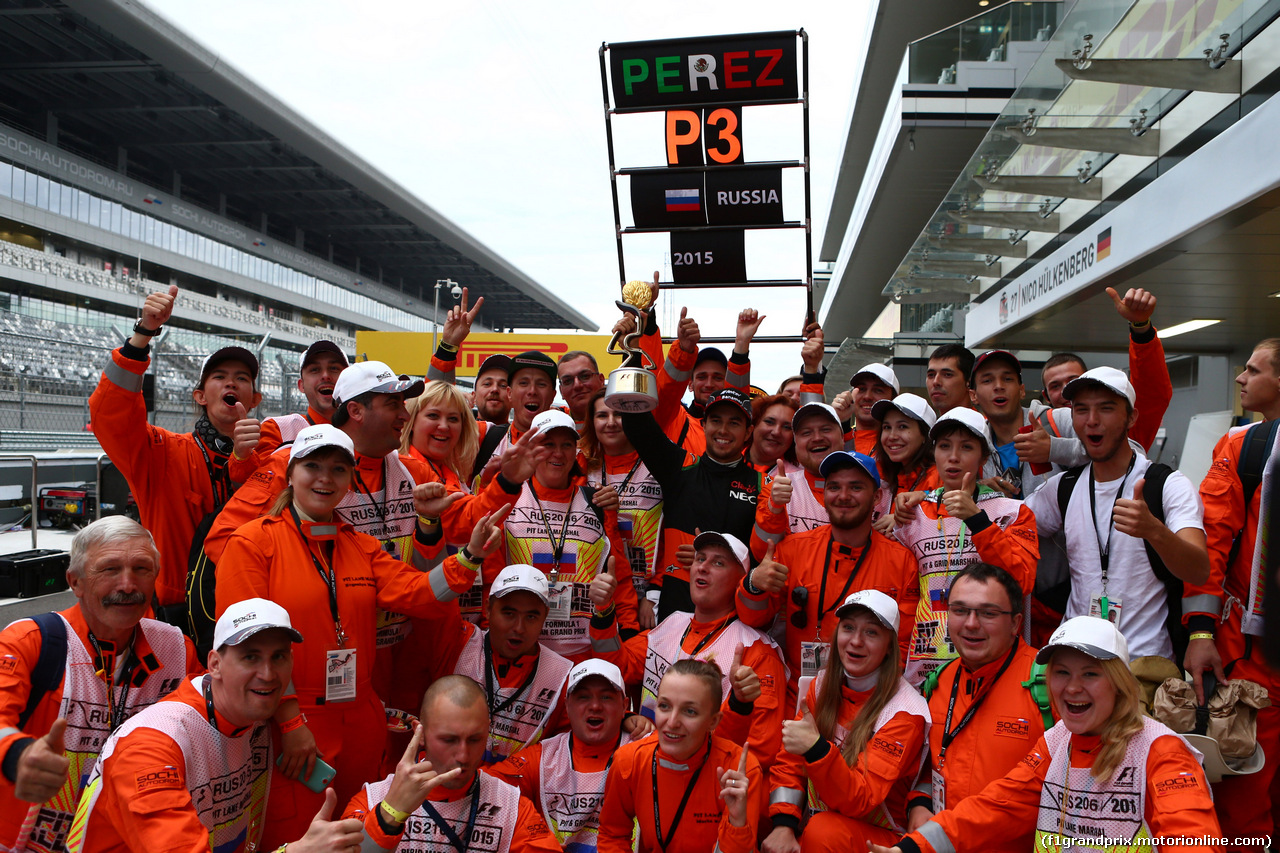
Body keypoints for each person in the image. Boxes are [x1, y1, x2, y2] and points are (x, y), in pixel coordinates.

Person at [214, 425, 488, 846]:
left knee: (361, 835)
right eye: (313, 467)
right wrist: (289, 722)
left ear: (348, 481)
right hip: (294, 722)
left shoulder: (358, 544)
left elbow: (417, 593)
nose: (326, 478)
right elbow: (247, 646)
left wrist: (467, 559)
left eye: (339, 469)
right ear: (290, 474)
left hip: (360, 714)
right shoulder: (253, 543)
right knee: (299, 835)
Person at [873, 617, 1222, 853]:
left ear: (1118, 684)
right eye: (1061, 672)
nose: (1072, 688)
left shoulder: (1160, 750)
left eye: (1090, 674)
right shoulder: (1057, 741)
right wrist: (913, 847)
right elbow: (996, 807)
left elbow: (1193, 835)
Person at [68, 599, 366, 853]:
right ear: (214, 664)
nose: (268, 673)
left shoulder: (253, 715)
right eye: (250, 657)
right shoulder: (152, 746)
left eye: (279, 656)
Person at [0, 518, 201, 853]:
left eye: (142, 569)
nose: (127, 584)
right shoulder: (30, 641)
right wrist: (16, 754)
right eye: (109, 569)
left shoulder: (177, 649)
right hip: (27, 841)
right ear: (75, 582)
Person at [89, 283, 261, 618]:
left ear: (255, 400)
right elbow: (111, 416)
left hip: (247, 610)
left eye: (242, 377)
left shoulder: (269, 463)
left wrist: (245, 460)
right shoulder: (161, 452)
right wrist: (143, 334)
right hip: (175, 614)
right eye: (219, 376)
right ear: (200, 396)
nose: (231, 383)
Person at [1025, 367, 1208, 662]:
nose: (1092, 420)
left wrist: (1154, 531)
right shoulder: (1064, 488)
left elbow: (1198, 570)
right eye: (1081, 410)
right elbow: (1008, 524)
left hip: (1144, 670)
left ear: (1131, 417)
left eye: (1106, 409)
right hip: (1074, 660)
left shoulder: (1166, 485)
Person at [589, 531, 788, 775]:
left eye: (718, 562)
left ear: (741, 581)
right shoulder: (672, 624)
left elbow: (759, 751)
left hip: (702, 784)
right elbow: (615, 667)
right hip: (643, 768)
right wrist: (603, 611)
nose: (703, 567)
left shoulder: (757, 651)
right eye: (700, 558)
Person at [1184, 338, 1280, 836]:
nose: (1241, 379)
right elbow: (1210, 546)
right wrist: (1201, 633)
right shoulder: (1244, 448)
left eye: (1252, 369)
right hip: (1253, 663)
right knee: (1243, 809)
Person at [738, 452, 919, 710]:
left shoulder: (901, 562)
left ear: (877, 497)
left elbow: (902, 647)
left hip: (866, 703)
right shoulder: (792, 550)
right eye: (834, 487)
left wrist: (865, 700)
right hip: (796, 696)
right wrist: (754, 583)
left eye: (856, 487)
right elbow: (753, 620)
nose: (843, 496)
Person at [766, 589, 929, 853]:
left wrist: (817, 748)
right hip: (827, 822)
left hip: (882, 840)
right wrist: (783, 826)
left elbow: (860, 799)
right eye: (849, 627)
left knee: (822, 831)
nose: (855, 641)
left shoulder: (905, 712)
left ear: (890, 647)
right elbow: (790, 762)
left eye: (871, 632)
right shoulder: (821, 687)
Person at [909, 563, 1053, 850]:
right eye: (960, 610)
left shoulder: (1050, 683)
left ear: (1015, 623)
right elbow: (928, 765)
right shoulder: (939, 682)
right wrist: (919, 803)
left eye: (988, 613)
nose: (971, 623)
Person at [893, 408, 1038, 685]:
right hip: (924, 670)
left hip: (994, 664)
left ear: (984, 457)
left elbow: (1021, 582)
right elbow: (905, 597)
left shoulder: (1013, 512)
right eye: (944, 446)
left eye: (967, 447)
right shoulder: (913, 512)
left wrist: (978, 521)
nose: (953, 457)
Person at [387, 562, 578, 766]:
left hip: (514, 791)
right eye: (509, 613)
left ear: (545, 617)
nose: (519, 628)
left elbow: (562, 758)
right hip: (443, 781)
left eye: (531, 616)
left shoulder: (563, 676)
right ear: (487, 608)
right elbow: (430, 588)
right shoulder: (457, 642)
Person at [343, 675, 561, 852]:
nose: (463, 756)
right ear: (422, 732)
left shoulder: (512, 808)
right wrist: (389, 814)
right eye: (449, 740)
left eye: (475, 740)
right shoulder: (373, 799)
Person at [499, 409, 638, 660]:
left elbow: (619, 574)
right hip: (523, 650)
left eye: (566, 445)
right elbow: (491, 575)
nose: (558, 453)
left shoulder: (596, 502)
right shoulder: (508, 500)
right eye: (548, 444)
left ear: (576, 452)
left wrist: (629, 630)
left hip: (583, 653)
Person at [623, 388, 763, 620]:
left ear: (749, 432)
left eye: (734, 423)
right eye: (716, 421)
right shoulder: (681, 468)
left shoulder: (762, 485)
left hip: (734, 614)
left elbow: (763, 556)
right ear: (704, 424)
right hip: (676, 610)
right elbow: (636, 424)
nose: (723, 430)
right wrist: (634, 365)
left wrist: (711, 558)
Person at [597, 659, 763, 853]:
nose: (672, 722)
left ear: (713, 721)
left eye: (689, 711)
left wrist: (736, 823)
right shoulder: (630, 760)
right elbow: (612, 834)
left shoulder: (738, 771)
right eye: (664, 706)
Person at [488, 659, 637, 853]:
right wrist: (533, 840)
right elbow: (484, 787)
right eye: (583, 697)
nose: (595, 706)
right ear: (567, 705)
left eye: (606, 697)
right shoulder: (543, 758)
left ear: (624, 705)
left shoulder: (644, 754)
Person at [1033, 287, 1171, 455]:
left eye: (1072, 381)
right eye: (1055, 386)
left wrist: (1141, 328)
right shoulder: (1034, 437)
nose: (1064, 391)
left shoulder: (1122, 427)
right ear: (1046, 396)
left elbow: (1151, 393)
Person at [580, 389, 665, 629]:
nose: (610, 423)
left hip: (647, 592)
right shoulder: (582, 467)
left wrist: (654, 593)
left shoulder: (657, 463)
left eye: (618, 414)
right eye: (601, 415)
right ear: (591, 422)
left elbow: (672, 532)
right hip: (600, 590)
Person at [227, 340, 350, 482]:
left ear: (347, 380)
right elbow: (254, 487)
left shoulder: (366, 429)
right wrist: (242, 456)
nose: (325, 375)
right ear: (301, 385)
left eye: (334, 368)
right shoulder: (278, 429)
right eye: (314, 370)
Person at [751, 402, 844, 557]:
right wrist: (774, 508)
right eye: (806, 433)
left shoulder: (870, 488)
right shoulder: (777, 488)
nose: (817, 438)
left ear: (842, 437)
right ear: (795, 445)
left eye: (826, 429)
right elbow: (762, 553)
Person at [870, 394, 939, 532]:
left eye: (902, 426)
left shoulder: (940, 476)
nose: (892, 436)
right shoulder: (881, 475)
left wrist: (902, 523)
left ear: (925, 435)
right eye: (887, 427)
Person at [845, 365, 900, 456]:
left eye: (878, 390)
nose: (867, 396)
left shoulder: (901, 447)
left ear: (894, 399)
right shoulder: (835, 441)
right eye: (862, 389)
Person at [748, 393, 797, 473]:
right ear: (754, 423)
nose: (776, 432)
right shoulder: (726, 459)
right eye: (769, 422)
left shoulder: (797, 480)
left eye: (787, 427)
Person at [558, 351, 606, 432]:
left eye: (585, 376)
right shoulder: (554, 424)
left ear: (601, 380)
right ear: (561, 391)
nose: (577, 385)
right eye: (568, 381)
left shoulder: (624, 420)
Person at [924, 345, 974, 415]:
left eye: (947, 375)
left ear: (969, 382)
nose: (936, 382)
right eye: (931, 375)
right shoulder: (930, 425)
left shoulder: (984, 425)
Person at [473, 353, 514, 427]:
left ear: (513, 399)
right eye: (487, 384)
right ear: (474, 397)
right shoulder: (459, 435)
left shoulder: (527, 436)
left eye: (503, 385)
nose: (494, 389)